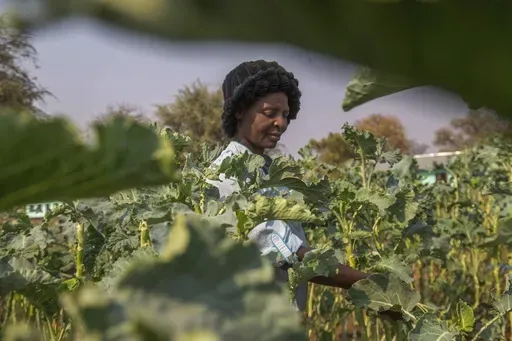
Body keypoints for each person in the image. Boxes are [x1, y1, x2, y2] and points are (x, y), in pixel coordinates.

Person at [208, 60, 370, 312]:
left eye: (285, 114)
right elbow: (288, 254)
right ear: (240, 110)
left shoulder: (267, 170)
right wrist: (371, 286)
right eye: (270, 113)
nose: (281, 124)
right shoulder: (227, 176)